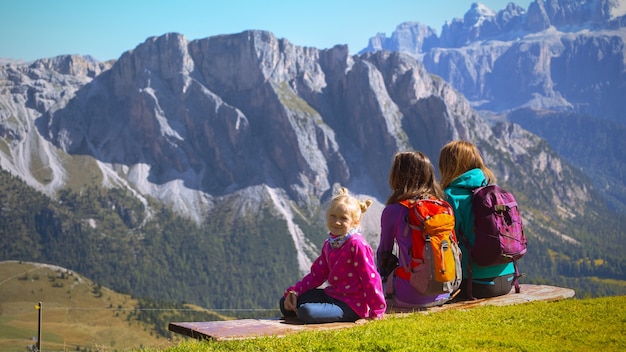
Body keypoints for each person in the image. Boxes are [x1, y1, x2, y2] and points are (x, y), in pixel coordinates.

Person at [279, 187, 386, 323]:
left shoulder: (356, 244)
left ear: (355, 222)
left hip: (352, 305)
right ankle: (302, 308)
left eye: (343, 218)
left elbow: (370, 278)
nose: (336, 222)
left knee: (305, 311)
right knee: (285, 302)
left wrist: (377, 311)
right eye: (333, 216)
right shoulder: (330, 244)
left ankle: (307, 312)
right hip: (332, 295)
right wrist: (295, 291)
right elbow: (316, 275)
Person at [438, 140, 516, 299]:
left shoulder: (449, 196)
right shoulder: (494, 190)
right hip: (508, 279)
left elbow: (444, 243)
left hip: (474, 284)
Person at [376, 151, 452, 308]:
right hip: (446, 290)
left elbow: (384, 255)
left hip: (410, 296)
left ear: (398, 176)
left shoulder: (394, 211)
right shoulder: (442, 206)